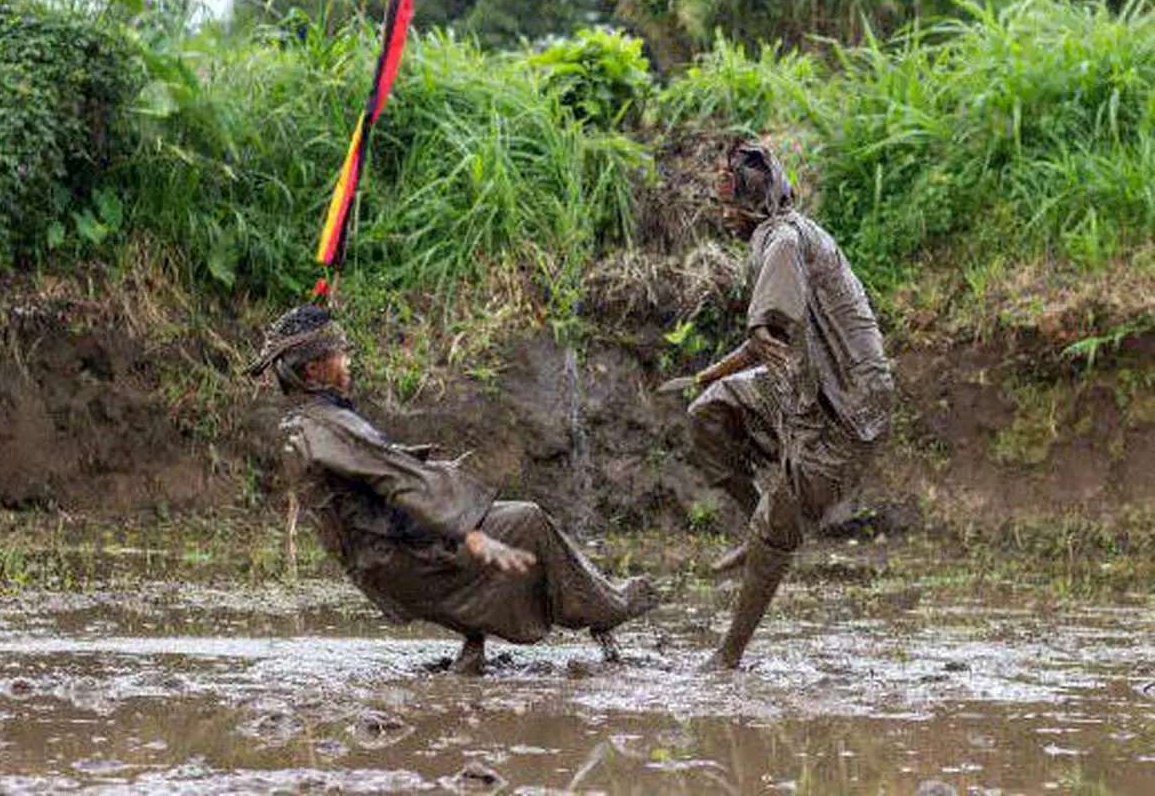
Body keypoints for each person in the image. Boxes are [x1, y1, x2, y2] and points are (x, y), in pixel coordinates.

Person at [249, 304, 658, 675]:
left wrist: (416, 461)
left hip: (376, 564)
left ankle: (472, 652)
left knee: (488, 531)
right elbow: (404, 484)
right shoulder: (329, 427)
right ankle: (607, 608)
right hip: (400, 561)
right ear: (313, 372)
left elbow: (361, 481)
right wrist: (470, 531)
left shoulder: (301, 425)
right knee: (528, 521)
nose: (349, 363)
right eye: (341, 355)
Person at [661, 139, 894, 670]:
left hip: (847, 412)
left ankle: (727, 656)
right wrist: (710, 373)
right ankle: (754, 522)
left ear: (749, 206)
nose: (721, 218)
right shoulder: (782, 234)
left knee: (777, 530)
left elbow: (768, 329)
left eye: (726, 206)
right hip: (805, 386)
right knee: (708, 410)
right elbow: (768, 341)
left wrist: (758, 331)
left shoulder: (783, 237)